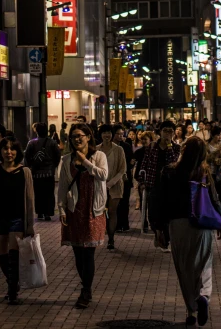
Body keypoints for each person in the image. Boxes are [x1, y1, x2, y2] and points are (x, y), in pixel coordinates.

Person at [159, 137, 221, 327]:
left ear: (184, 149)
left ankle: (191, 310)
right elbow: (214, 198)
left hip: (178, 224)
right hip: (202, 223)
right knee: (204, 265)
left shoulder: (169, 171)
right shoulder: (203, 171)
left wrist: (159, 227)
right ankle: (203, 296)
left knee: (185, 268)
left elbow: (162, 201)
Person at [58, 123, 108, 309]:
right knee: (78, 253)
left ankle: (86, 290)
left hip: (93, 210)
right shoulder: (65, 160)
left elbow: (103, 175)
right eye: (74, 137)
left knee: (89, 253)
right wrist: (62, 209)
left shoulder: (99, 156)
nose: (77, 139)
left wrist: (85, 162)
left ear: (88, 136)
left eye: (80, 135)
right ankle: (85, 285)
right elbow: (63, 186)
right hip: (74, 209)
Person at [0, 136, 34, 305]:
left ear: (17, 152)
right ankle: (12, 282)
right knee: (1, 255)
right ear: (0, 151)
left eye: (12, 149)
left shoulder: (25, 172)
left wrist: (30, 224)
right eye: (5, 148)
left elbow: (30, 198)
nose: (8, 152)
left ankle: (12, 291)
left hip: (17, 218)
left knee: (13, 255)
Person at [139, 120, 181, 249]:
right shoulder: (152, 146)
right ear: (160, 132)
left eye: (170, 131)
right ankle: (157, 233)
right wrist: (141, 182)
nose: (168, 133)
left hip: (169, 185)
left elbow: (174, 162)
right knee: (153, 212)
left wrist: (169, 146)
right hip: (153, 183)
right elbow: (144, 164)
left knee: (167, 213)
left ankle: (165, 239)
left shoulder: (176, 148)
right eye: (165, 131)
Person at [96, 124, 126, 250]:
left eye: (108, 132)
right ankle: (101, 234)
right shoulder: (96, 150)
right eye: (104, 133)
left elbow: (122, 169)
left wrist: (111, 183)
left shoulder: (118, 149)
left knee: (112, 211)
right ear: (101, 135)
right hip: (99, 185)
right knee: (100, 211)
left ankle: (111, 239)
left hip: (115, 185)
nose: (106, 135)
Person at [24, 121, 61, 221]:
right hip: (49, 173)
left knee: (38, 193)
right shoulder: (52, 143)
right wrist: (53, 166)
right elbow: (57, 156)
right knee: (49, 193)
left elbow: (27, 157)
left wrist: (29, 167)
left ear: (37, 131)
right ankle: (48, 213)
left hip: (36, 173)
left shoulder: (32, 143)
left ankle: (39, 212)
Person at [206, 125, 221, 214]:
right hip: (210, 174)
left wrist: (220, 160)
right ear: (212, 135)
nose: (220, 137)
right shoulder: (207, 145)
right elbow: (206, 159)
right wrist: (216, 152)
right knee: (211, 197)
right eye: (218, 135)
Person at [114, 124, 133, 232]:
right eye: (118, 134)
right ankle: (115, 224)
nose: (120, 136)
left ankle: (124, 224)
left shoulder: (126, 146)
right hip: (112, 178)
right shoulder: (108, 146)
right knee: (114, 203)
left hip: (125, 178)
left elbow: (130, 162)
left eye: (122, 134)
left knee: (124, 202)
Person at [134, 131, 156, 222]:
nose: (143, 141)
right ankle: (144, 221)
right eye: (142, 139)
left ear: (150, 140)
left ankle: (151, 220)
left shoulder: (155, 151)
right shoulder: (138, 151)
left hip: (152, 179)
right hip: (141, 178)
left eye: (145, 139)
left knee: (152, 203)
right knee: (143, 201)